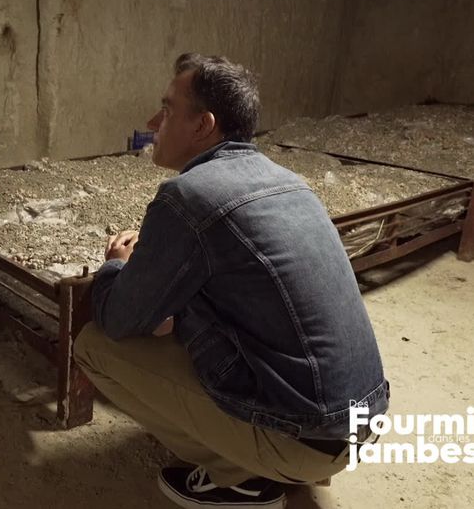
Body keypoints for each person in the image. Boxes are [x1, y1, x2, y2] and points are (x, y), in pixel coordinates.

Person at [73, 53, 388, 508]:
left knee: (94, 346)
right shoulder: (288, 181)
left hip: (310, 440)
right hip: (361, 420)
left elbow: (120, 318)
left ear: (203, 125)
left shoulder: (188, 196)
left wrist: (116, 266)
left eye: (167, 109)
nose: (152, 120)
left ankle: (240, 479)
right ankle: (275, 454)